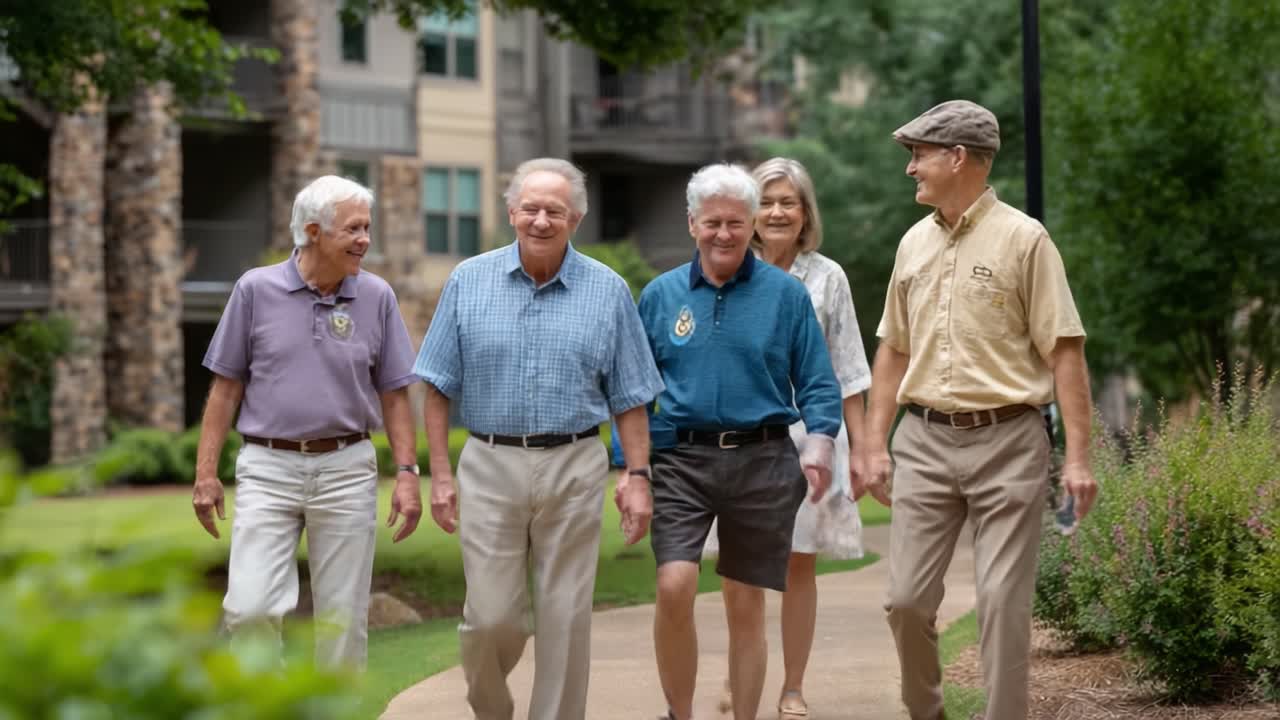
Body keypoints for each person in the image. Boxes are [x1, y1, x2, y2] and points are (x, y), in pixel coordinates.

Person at [861, 100, 1100, 720]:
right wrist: (873, 444)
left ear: (958, 157)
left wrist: (1079, 459)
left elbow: (1064, 351)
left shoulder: (1025, 239)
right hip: (924, 440)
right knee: (905, 600)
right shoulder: (912, 243)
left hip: (1009, 442)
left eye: (919, 155)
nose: (911, 168)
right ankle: (928, 711)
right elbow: (893, 349)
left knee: (1001, 603)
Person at [413, 157, 664, 720]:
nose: (541, 220)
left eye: (555, 211)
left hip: (575, 460)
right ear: (511, 213)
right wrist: (441, 476)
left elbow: (631, 398)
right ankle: (491, 707)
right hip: (489, 461)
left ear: (576, 218)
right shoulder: (467, 281)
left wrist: (638, 477)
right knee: (490, 618)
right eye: (530, 209)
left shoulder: (609, 290)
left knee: (566, 617)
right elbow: (436, 386)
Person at [190, 175, 423, 669]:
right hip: (267, 467)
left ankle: (335, 705)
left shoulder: (377, 296)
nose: (365, 239)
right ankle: (267, 701)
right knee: (249, 608)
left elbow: (395, 395)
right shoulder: (255, 290)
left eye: (367, 227)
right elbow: (225, 388)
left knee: (343, 620)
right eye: (353, 228)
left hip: (347, 468)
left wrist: (407, 474)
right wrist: (206, 473)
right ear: (313, 231)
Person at [638, 163, 843, 720]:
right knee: (674, 584)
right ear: (692, 224)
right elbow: (633, 391)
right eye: (712, 223)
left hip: (763, 458)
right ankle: (680, 713)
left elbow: (818, 379)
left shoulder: (786, 295)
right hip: (681, 459)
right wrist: (632, 468)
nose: (723, 234)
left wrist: (820, 440)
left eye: (735, 222)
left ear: (751, 224)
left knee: (745, 599)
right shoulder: (660, 296)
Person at [713, 156, 872, 719]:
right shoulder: (726, 269)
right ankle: (741, 672)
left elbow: (848, 370)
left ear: (806, 213)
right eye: (767, 202)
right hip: (738, 435)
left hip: (812, 435)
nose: (778, 212)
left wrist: (864, 449)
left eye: (789, 202)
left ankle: (792, 687)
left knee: (798, 561)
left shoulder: (828, 278)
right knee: (741, 566)